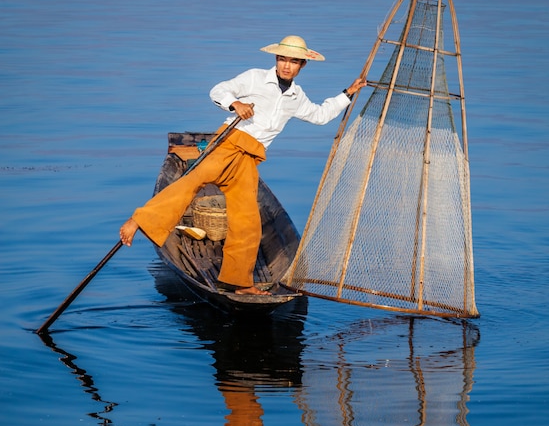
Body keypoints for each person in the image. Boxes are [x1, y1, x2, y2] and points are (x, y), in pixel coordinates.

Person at [120, 35, 366, 295]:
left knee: (248, 219)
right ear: (276, 59)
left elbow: (320, 115)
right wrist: (235, 104)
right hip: (229, 142)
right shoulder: (255, 78)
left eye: (294, 61)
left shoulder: (296, 96)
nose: (286, 65)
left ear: (302, 66)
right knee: (190, 183)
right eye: (283, 59)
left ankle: (238, 282)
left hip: (251, 157)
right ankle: (138, 220)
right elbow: (218, 90)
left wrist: (347, 94)